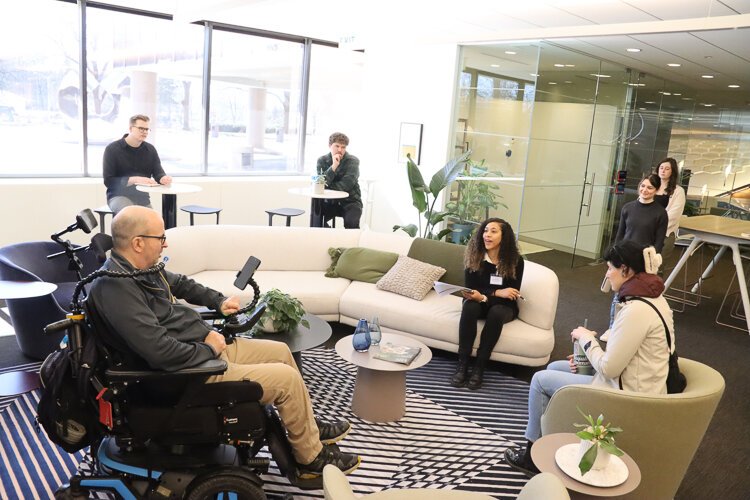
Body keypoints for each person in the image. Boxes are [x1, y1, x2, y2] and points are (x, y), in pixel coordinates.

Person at [88, 206, 360, 479]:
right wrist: (209, 348)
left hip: (199, 351)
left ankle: (306, 429)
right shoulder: (116, 287)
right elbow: (159, 352)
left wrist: (217, 301)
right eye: (161, 238)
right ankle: (309, 459)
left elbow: (181, 284)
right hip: (185, 374)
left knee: (280, 351)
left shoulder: (140, 270)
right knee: (286, 380)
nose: (165, 244)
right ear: (138, 243)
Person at [504, 240, 673, 476]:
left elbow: (610, 369)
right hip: (634, 380)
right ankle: (556, 436)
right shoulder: (652, 298)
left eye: (610, 268)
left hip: (627, 395)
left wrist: (586, 340)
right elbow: (627, 355)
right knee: (555, 366)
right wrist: (590, 352)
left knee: (540, 380)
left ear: (625, 270)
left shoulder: (636, 310)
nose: (607, 274)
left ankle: (532, 457)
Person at [451, 218, 524, 390]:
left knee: (496, 312)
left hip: (503, 306)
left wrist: (485, 296)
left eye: (493, 231)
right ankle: (463, 363)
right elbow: (471, 287)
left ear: (504, 236)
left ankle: (480, 366)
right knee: (469, 306)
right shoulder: (474, 255)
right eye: (485, 231)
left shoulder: (515, 261)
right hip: (477, 300)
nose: (487, 235)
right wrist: (495, 293)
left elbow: (510, 294)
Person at [103, 114, 173, 214]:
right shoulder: (112, 149)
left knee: (155, 221)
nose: (145, 132)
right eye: (141, 128)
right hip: (118, 195)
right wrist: (134, 179)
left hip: (142, 198)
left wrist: (163, 178)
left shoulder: (150, 149)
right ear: (130, 129)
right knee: (132, 216)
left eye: (147, 129)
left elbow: (158, 172)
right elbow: (108, 181)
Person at [316, 132, 362, 228]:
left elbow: (346, 185)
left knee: (351, 223)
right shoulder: (322, 161)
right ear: (330, 146)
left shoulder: (353, 161)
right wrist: (333, 166)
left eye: (343, 147)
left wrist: (327, 186)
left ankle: (351, 238)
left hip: (350, 201)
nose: (340, 150)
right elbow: (320, 184)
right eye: (337, 146)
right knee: (316, 216)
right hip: (329, 202)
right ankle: (327, 235)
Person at [615, 173, 668, 254]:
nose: (644, 190)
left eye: (650, 188)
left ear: (656, 190)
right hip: (624, 253)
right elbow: (620, 235)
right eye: (642, 186)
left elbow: (659, 242)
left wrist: (652, 258)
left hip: (645, 256)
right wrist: (616, 253)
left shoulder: (661, 213)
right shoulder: (627, 208)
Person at [653, 157, 686, 258]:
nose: (663, 170)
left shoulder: (678, 191)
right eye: (661, 168)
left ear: (672, 172)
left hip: (664, 234)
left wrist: (653, 226)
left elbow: (674, 215)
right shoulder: (651, 186)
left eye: (667, 169)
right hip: (645, 232)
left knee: (657, 265)